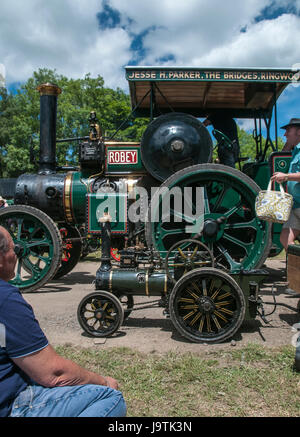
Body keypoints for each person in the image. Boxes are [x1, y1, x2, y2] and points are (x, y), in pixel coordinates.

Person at [0, 225, 126, 417]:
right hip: (9, 406)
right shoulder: (5, 299)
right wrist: (104, 381)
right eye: (13, 248)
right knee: (111, 399)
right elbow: (54, 373)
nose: (17, 253)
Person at [271, 118, 300, 250]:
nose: (285, 134)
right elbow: (283, 153)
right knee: (285, 239)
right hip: (295, 204)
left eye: (288, 130)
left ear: (299, 131)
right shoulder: (295, 152)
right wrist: (289, 144)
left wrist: (286, 176)